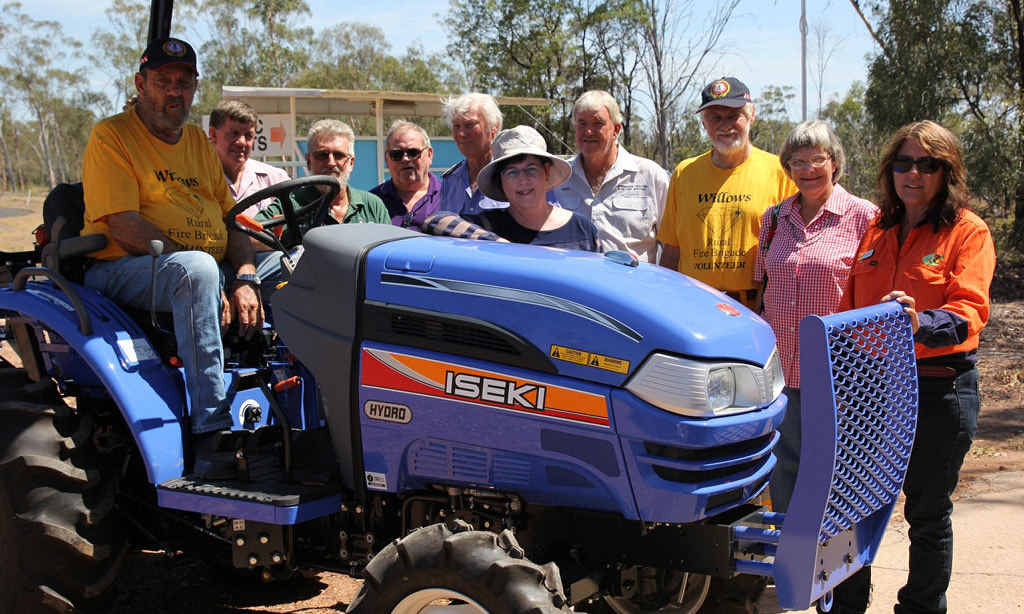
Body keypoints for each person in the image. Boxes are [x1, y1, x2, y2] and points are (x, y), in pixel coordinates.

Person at [80, 37, 261, 471]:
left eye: (184, 82)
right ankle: (211, 429)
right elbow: (124, 227)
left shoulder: (198, 142)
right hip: (122, 268)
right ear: (141, 84)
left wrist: (247, 274)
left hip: (198, 267)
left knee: (301, 269)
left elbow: (230, 219)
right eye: (163, 81)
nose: (174, 91)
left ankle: (312, 419)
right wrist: (213, 275)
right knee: (196, 270)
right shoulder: (113, 136)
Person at [840, 120, 995, 614]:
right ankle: (846, 605)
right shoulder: (877, 228)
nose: (913, 174)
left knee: (927, 514)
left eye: (927, 165)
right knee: (852, 507)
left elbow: (971, 310)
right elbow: (849, 308)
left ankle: (922, 607)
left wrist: (920, 323)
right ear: (890, 172)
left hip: (938, 387)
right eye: (903, 163)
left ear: (945, 173)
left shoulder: (967, 231)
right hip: (871, 389)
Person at [756, 120, 878, 614]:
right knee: (786, 475)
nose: (807, 169)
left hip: (841, 373)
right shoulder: (773, 218)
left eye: (817, 159)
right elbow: (764, 285)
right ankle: (799, 580)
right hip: (783, 374)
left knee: (840, 482)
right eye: (797, 162)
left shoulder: (864, 216)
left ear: (835, 162)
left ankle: (846, 590)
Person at [658, 77, 797, 310]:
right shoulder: (685, 173)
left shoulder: (779, 172)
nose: (725, 125)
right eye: (716, 117)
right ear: (704, 124)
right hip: (694, 306)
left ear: (751, 116)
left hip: (755, 308)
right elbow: (672, 250)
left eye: (734, 116)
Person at [428, 126, 597, 251]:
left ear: (546, 172)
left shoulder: (582, 229)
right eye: (512, 172)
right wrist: (497, 242)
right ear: (500, 180)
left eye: (531, 169)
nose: (522, 180)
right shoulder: (488, 224)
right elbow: (435, 221)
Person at [552, 90, 669, 262]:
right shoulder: (558, 177)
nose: (588, 131)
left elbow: (672, 247)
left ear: (616, 129)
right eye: (582, 123)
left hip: (632, 286)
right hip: (572, 286)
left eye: (597, 123)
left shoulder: (651, 176)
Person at [253, 119, 389, 245]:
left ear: (351, 163)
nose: (331, 163)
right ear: (308, 162)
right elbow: (250, 235)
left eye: (339, 155)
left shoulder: (372, 206)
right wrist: (282, 241)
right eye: (322, 155)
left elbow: (389, 249)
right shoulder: (290, 203)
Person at [208, 99, 289, 216]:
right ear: (213, 134)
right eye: (234, 133)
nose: (242, 142)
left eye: (248, 136)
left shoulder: (276, 179)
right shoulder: (197, 181)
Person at [440, 93, 509, 214]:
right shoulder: (450, 180)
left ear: (493, 127)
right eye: (456, 126)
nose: (461, 134)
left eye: (469, 125)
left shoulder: (513, 175)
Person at [371, 120, 442, 232]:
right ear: (386, 159)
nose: (405, 159)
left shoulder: (450, 197)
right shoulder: (372, 203)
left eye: (413, 152)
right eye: (396, 154)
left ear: (429, 154)